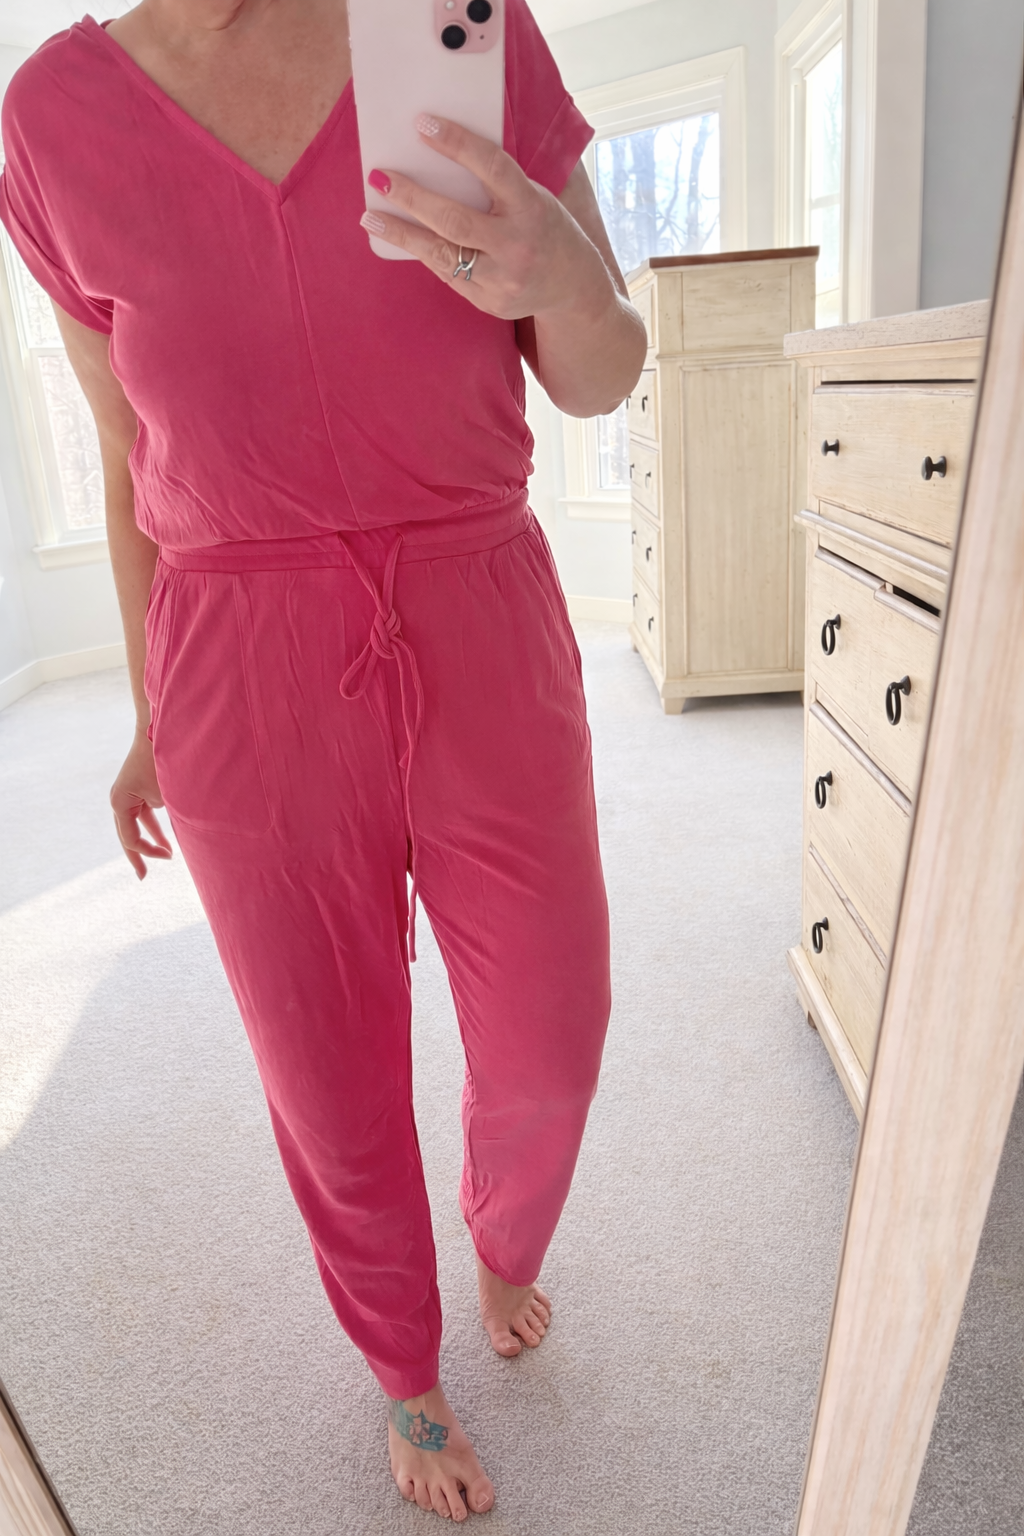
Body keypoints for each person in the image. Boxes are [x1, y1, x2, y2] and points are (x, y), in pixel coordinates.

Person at [0, 0, 644, 1519]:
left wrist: (563, 275)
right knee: (325, 1073)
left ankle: (504, 1230)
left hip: (479, 604)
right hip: (240, 652)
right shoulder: (51, 117)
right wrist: (155, 715)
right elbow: (124, 455)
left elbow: (603, 372)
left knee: (558, 1024)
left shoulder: (449, 24)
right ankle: (404, 1375)